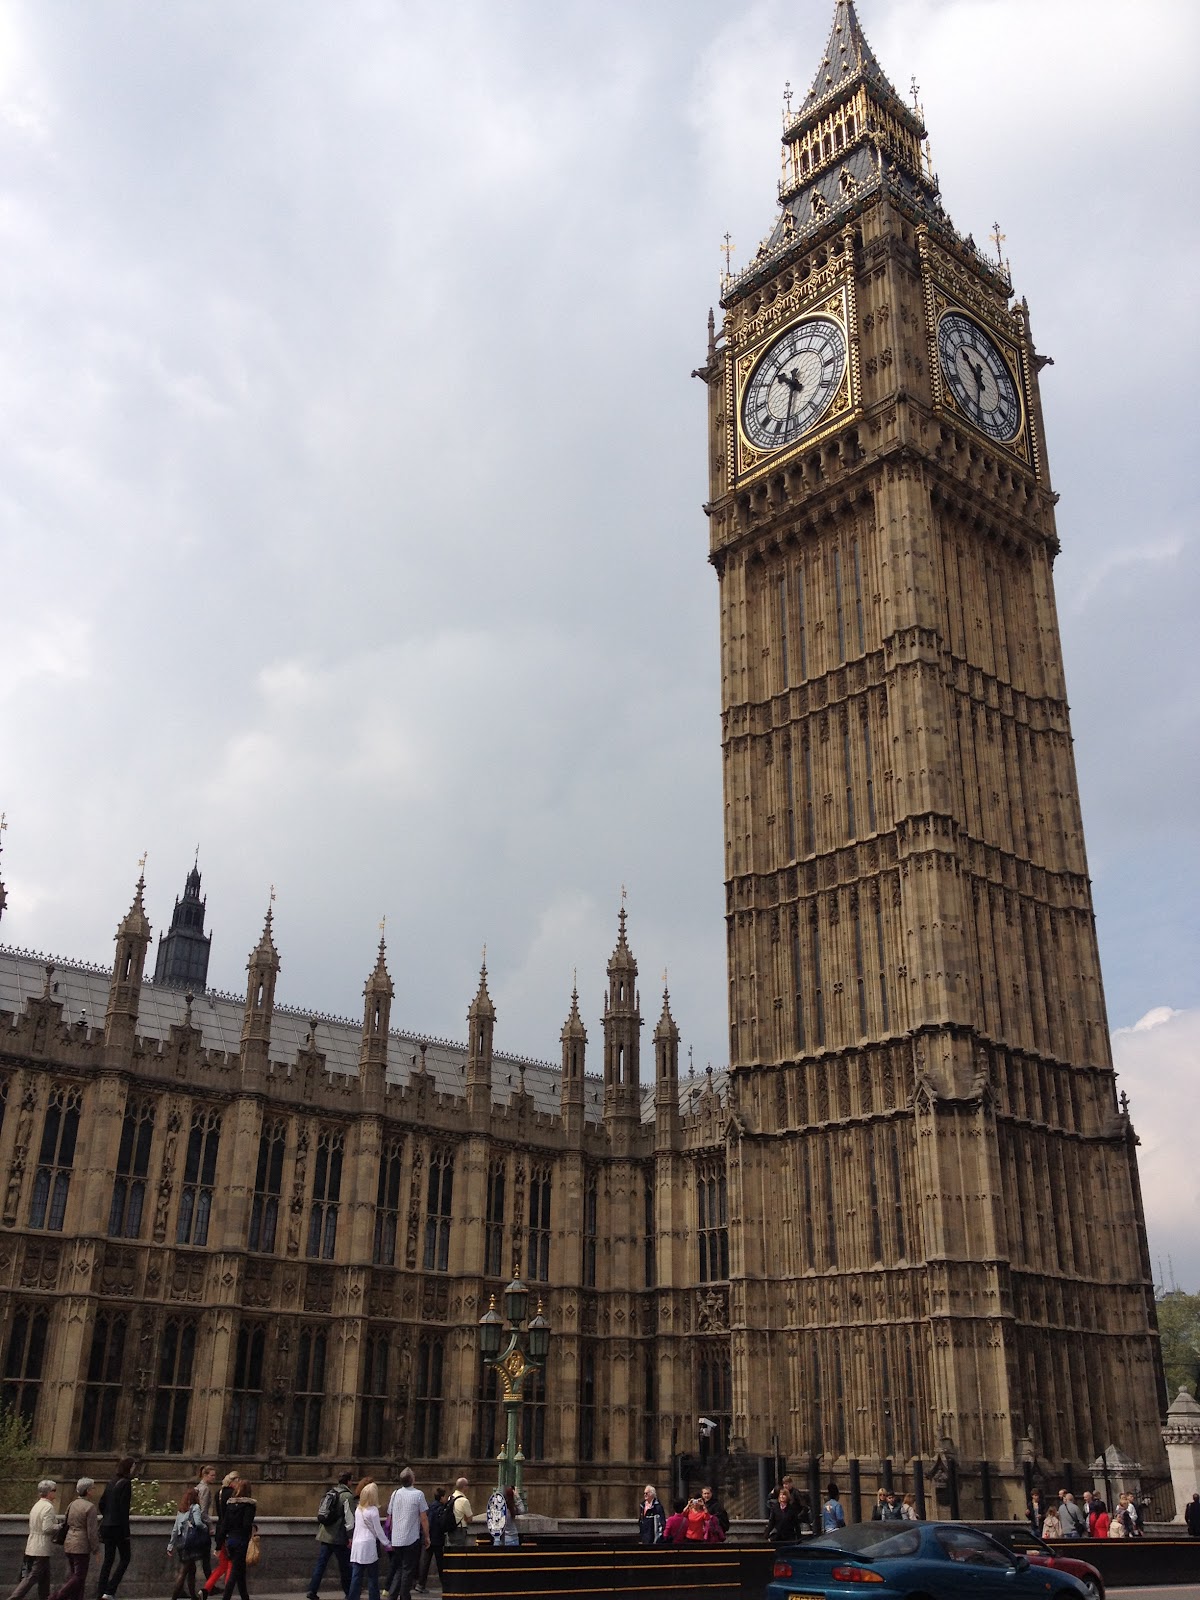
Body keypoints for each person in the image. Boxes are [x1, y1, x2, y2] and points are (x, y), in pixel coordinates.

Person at [7, 1480, 60, 1600]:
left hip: (32, 1544)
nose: (55, 1493)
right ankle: (14, 1598)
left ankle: (45, 1597)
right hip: (42, 1547)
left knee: (44, 1577)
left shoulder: (37, 1505)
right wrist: (59, 1526)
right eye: (54, 1490)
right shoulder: (48, 1507)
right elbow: (47, 1528)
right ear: (49, 1493)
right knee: (33, 1576)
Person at [48, 1479, 100, 1600]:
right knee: (79, 1576)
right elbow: (92, 1532)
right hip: (81, 1545)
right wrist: (96, 1549)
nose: (94, 1490)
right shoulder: (90, 1507)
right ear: (88, 1491)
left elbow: (66, 1523)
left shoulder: (72, 1504)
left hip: (69, 1542)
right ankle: (57, 1596)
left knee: (75, 1575)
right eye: (93, 1488)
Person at [307, 1470, 354, 1600]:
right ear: (348, 1481)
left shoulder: (331, 1492)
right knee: (345, 1566)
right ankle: (349, 1593)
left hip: (325, 1534)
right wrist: (350, 1536)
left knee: (321, 1564)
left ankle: (312, 1590)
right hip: (338, 1537)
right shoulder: (347, 1496)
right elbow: (349, 1519)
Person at [385, 1469, 428, 1600]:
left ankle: (392, 1595)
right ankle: (404, 1596)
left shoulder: (395, 1494)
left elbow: (390, 1515)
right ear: (412, 1479)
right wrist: (427, 1536)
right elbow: (424, 1518)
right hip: (411, 1538)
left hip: (397, 1538)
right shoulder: (418, 1494)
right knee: (408, 1570)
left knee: (399, 1569)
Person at [95, 1458, 134, 1600]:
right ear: (129, 1468)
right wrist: (126, 1532)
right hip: (118, 1527)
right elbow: (124, 1510)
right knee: (125, 1558)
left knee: (108, 1560)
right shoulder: (126, 1483)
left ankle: (101, 1592)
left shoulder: (111, 1482)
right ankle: (110, 1590)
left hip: (107, 1526)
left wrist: (107, 1516)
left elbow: (101, 1503)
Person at [346, 1481, 389, 1600]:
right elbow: (378, 1531)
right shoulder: (373, 1511)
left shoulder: (358, 1510)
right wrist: (387, 1543)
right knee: (372, 1576)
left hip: (357, 1544)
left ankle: (353, 1597)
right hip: (368, 1545)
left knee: (356, 1576)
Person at [219, 1479, 257, 1600]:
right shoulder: (249, 1506)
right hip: (241, 1541)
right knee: (235, 1572)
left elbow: (224, 1524)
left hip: (231, 1540)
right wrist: (252, 1529)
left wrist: (219, 1544)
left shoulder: (230, 1505)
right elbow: (246, 1524)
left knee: (240, 1571)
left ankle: (245, 1597)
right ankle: (226, 1597)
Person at [203, 1474, 239, 1597]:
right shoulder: (233, 1494)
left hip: (220, 1530)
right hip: (230, 1532)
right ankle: (227, 1592)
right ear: (232, 1481)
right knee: (230, 1564)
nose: (238, 1483)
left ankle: (206, 1588)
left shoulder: (219, 1493)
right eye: (237, 1480)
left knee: (222, 1565)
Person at [168, 1488, 207, 1600]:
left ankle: (193, 1596)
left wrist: (170, 1545)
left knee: (192, 1569)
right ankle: (174, 1597)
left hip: (181, 1543)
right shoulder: (195, 1507)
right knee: (184, 1571)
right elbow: (198, 1523)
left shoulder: (181, 1510)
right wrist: (205, 1527)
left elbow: (175, 1529)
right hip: (191, 1544)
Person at [415, 1487, 447, 1593]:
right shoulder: (441, 1509)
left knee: (425, 1562)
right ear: (441, 1497)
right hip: (437, 1538)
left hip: (428, 1537)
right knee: (440, 1563)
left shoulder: (429, 1507)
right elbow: (441, 1523)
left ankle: (421, 1584)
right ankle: (445, 1584)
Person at [194, 1470, 218, 1584]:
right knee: (205, 1558)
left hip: (197, 1525)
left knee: (194, 1561)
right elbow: (203, 1512)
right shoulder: (205, 1489)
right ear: (205, 1475)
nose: (214, 1477)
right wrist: (210, 1525)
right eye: (212, 1475)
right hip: (202, 1527)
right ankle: (210, 1585)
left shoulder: (198, 1487)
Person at [444, 1479, 472, 1550]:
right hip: (460, 1529)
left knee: (451, 1550)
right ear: (464, 1487)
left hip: (450, 1528)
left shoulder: (451, 1498)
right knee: (459, 1551)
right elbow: (469, 1519)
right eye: (467, 1485)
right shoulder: (464, 1501)